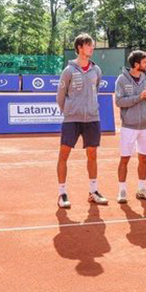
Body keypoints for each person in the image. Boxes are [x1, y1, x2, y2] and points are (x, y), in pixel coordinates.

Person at [55, 34, 105, 209]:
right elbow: (60, 96)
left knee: (92, 154)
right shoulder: (68, 71)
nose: (92, 48)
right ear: (80, 47)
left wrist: (90, 108)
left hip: (92, 118)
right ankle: (62, 193)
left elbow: (95, 90)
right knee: (64, 155)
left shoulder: (96, 70)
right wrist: (69, 111)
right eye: (90, 45)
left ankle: (93, 191)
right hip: (72, 120)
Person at [114, 50, 146, 203]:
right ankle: (122, 191)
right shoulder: (121, 79)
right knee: (125, 159)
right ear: (136, 64)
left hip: (145, 126)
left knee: (144, 158)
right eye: (145, 62)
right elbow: (119, 102)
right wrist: (139, 97)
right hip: (128, 126)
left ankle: (142, 189)